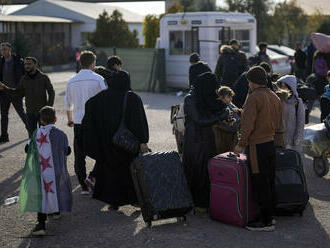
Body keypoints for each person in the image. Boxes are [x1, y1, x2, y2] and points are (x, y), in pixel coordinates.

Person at [82, 70, 149, 209]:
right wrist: (143, 140)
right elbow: (139, 122)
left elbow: (89, 106)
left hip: (107, 143)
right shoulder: (132, 98)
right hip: (126, 144)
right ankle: (134, 199)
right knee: (129, 172)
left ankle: (113, 202)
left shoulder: (102, 97)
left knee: (110, 172)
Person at [234, 66, 281, 232]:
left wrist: (241, 143)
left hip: (256, 146)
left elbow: (248, 125)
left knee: (259, 182)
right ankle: (270, 216)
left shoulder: (254, 97)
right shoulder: (273, 95)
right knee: (268, 180)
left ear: (252, 81)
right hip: (270, 143)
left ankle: (264, 221)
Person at [19, 106, 72, 236]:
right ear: (55, 119)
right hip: (56, 170)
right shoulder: (61, 135)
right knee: (55, 189)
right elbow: (68, 150)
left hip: (40, 171)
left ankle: (41, 224)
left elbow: (27, 149)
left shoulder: (35, 134)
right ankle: (56, 212)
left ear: (41, 121)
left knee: (42, 194)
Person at [182, 72, 229, 212]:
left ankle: (204, 201)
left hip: (206, 138)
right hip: (195, 140)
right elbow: (199, 120)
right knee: (196, 170)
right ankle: (194, 201)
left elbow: (213, 108)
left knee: (206, 170)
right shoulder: (190, 99)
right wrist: (220, 116)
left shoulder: (204, 95)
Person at [64, 50, 106, 194]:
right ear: (93, 63)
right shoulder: (98, 79)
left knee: (79, 155)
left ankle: (84, 186)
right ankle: (93, 177)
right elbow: (105, 100)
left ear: (80, 62)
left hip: (78, 122)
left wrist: (70, 120)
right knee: (102, 152)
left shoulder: (71, 81)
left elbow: (68, 104)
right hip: (95, 122)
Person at [0, 57, 55, 137]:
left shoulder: (43, 77)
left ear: (35, 65)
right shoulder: (24, 79)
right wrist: (5, 88)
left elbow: (51, 92)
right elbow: (17, 92)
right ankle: (33, 150)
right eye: (25, 64)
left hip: (42, 113)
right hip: (30, 113)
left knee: (45, 137)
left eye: (29, 64)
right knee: (32, 138)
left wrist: (48, 107)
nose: (26, 66)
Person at [0, 42, 29, 142]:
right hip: (3, 92)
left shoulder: (18, 61)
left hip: (15, 92)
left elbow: (24, 74)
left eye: (5, 49)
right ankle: (4, 136)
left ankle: (31, 131)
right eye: (1, 49)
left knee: (21, 112)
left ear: (10, 50)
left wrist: (22, 88)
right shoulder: (1, 61)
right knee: (3, 115)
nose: (3, 51)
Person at [277, 75, 305, 153]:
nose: (282, 88)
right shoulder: (278, 100)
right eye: (281, 85)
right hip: (279, 140)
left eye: (284, 85)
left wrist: (297, 139)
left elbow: (301, 122)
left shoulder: (298, 102)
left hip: (293, 142)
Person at [213, 86, 240, 154]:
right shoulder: (219, 107)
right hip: (222, 137)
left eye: (231, 97)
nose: (230, 99)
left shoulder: (232, 107)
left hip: (231, 137)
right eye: (228, 97)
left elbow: (236, 122)